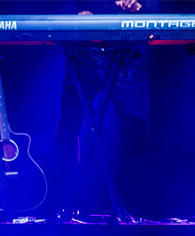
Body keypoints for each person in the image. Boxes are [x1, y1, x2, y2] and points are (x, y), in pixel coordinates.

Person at [53, 0, 154, 223]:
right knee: (68, 130)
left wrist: (139, 6)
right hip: (85, 53)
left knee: (137, 132)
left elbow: (157, 7)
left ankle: (126, 209)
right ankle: (65, 206)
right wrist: (77, 13)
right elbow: (56, 5)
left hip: (127, 52)